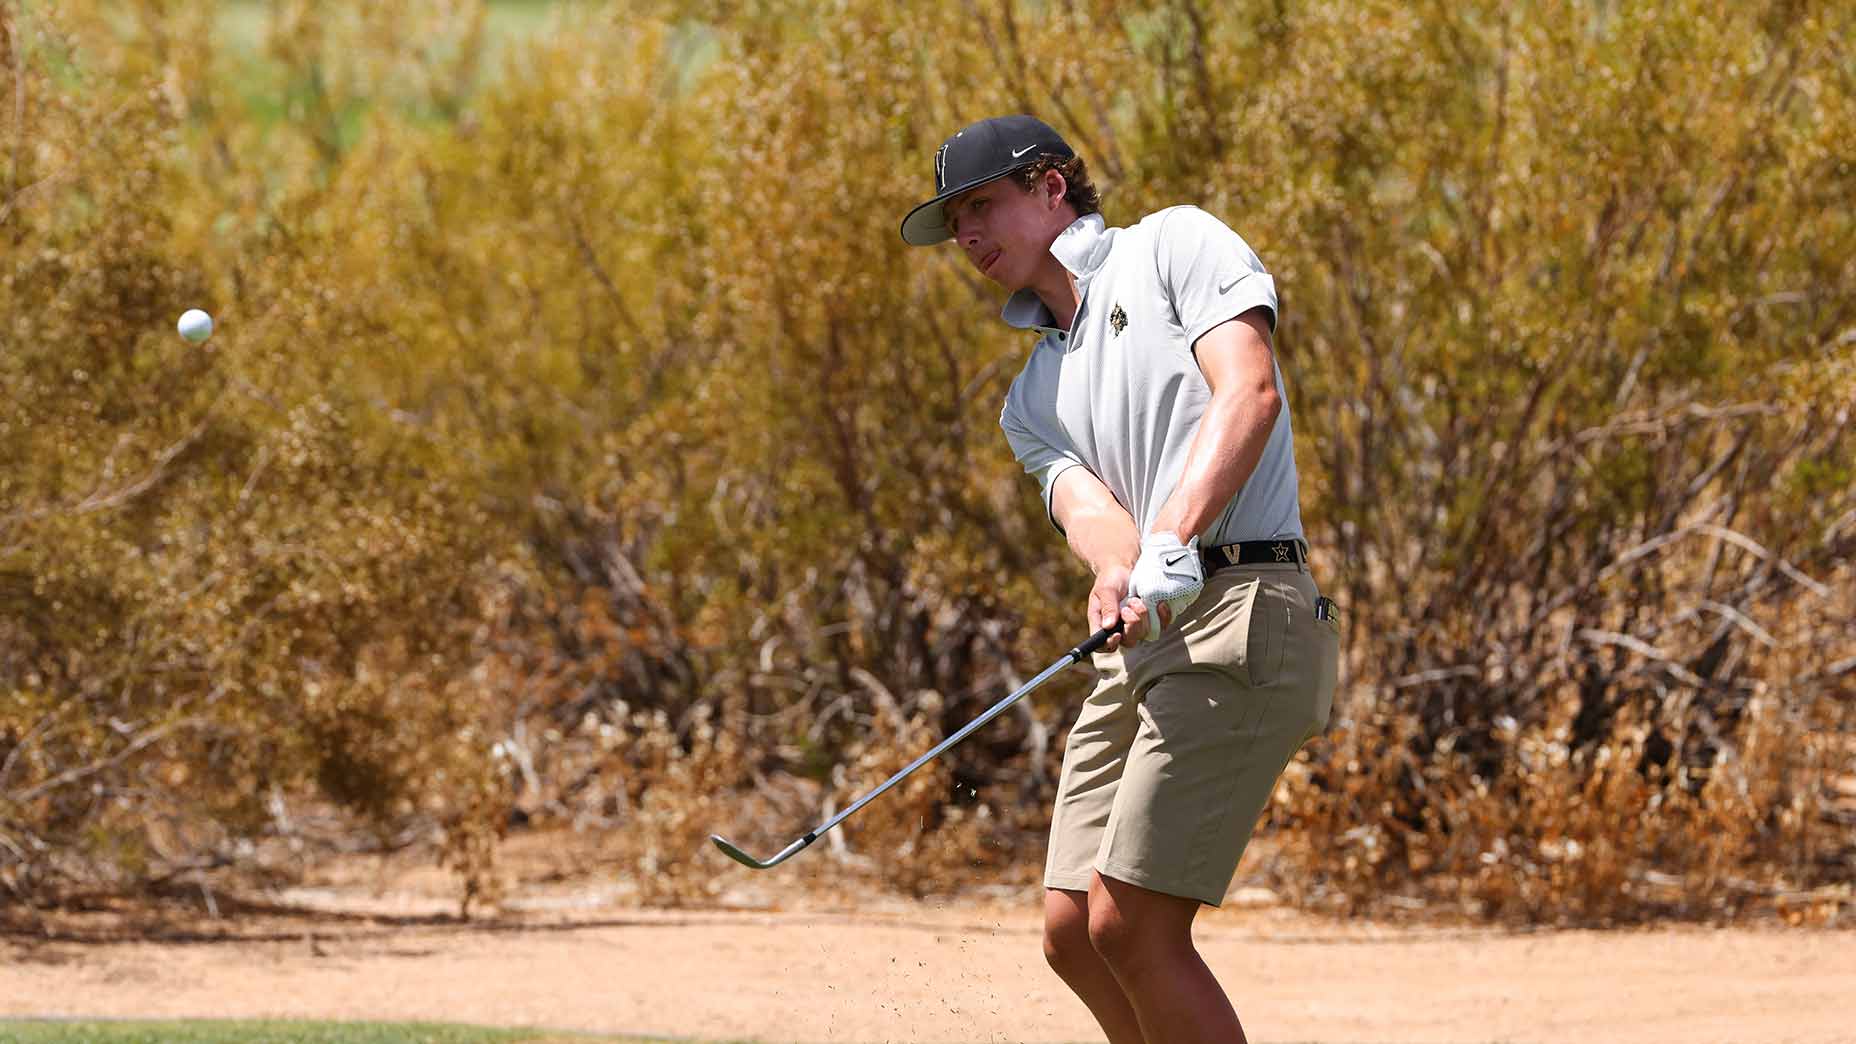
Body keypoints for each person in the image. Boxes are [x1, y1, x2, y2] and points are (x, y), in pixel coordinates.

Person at [899, 114, 1340, 1044]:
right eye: (955, 225)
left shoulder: (1173, 245)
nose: (968, 238)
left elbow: (1249, 389)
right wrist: (1116, 570)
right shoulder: (1030, 398)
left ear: (1052, 188)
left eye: (982, 206)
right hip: (1148, 639)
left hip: (1247, 612)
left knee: (1130, 923)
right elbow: (1093, 514)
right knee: (1073, 932)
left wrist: (1173, 536)